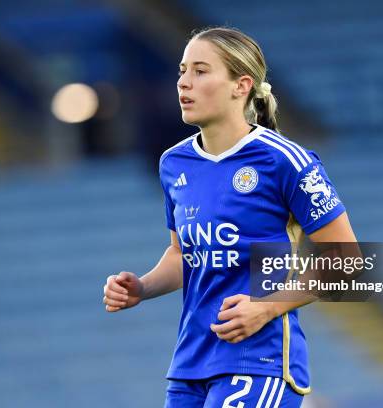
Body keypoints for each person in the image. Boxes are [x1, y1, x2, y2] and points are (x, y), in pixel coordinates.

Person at [103, 27, 357, 408]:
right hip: (191, 365)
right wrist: (143, 286)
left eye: (201, 71)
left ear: (241, 86)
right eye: (182, 71)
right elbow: (182, 255)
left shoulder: (284, 160)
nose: (184, 83)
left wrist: (267, 307)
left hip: (259, 363)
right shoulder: (175, 163)